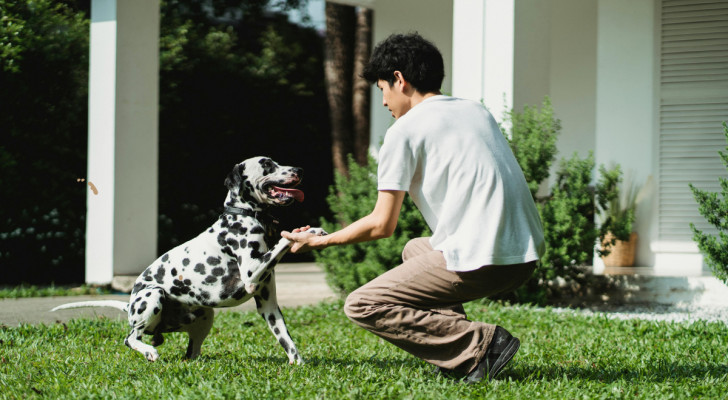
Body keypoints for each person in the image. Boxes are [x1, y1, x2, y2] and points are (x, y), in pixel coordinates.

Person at [281, 32, 545, 383]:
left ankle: (481, 345)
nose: (385, 102)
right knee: (415, 249)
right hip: (523, 256)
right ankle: (466, 358)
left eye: (382, 89)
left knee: (362, 304)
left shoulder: (403, 131)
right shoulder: (475, 110)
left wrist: (322, 241)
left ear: (399, 80)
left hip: (487, 261)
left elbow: (381, 225)